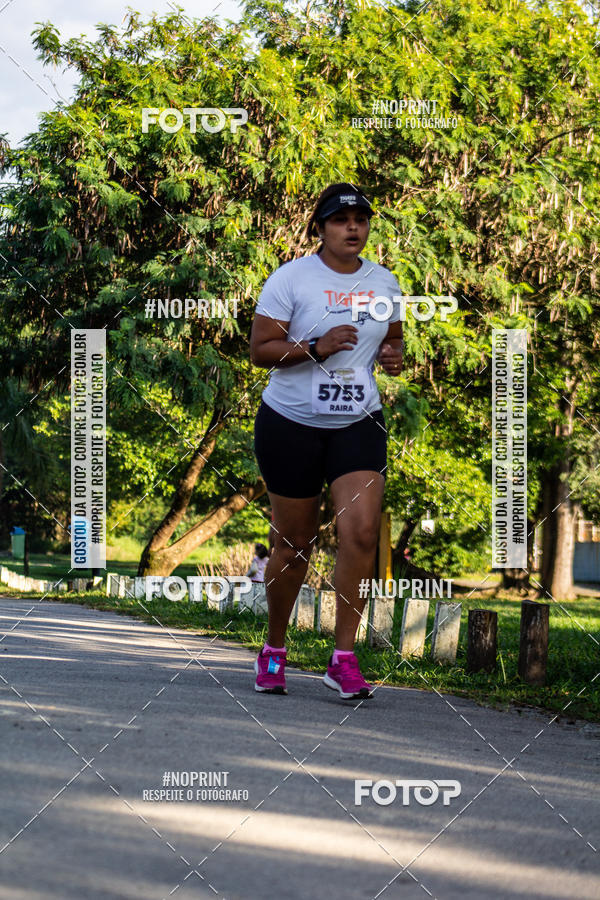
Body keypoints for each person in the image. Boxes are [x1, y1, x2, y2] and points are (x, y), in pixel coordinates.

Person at [250, 183, 404, 699]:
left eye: (361, 219)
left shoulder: (385, 282)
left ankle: (343, 657)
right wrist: (315, 346)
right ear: (320, 227)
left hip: (357, 422)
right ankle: (274, 649)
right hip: (290, 422)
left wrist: (392, 357)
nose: (353, 228)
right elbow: (260, 350)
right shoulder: (291, 278)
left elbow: (394, 336)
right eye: (341, 220)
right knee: (295, 545)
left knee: (360, 535)